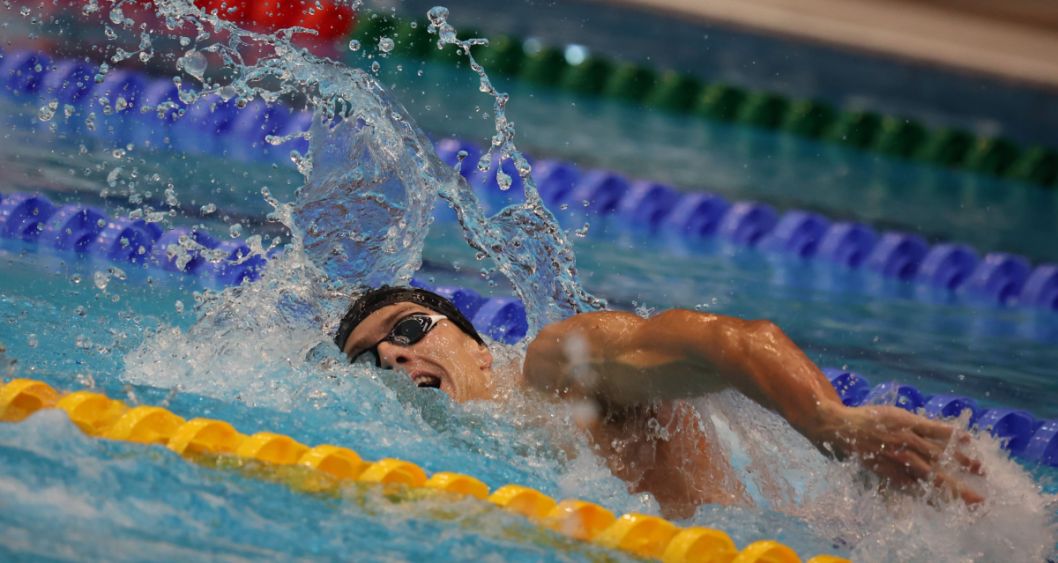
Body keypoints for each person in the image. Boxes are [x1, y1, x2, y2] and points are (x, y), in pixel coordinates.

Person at [334, 285, 983, 518]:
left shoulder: (556, 369)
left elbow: (726, 341)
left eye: (409, 327)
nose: (392, 355)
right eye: (371, 359)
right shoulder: (445, 460)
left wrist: (826, 419)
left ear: (476, 343)